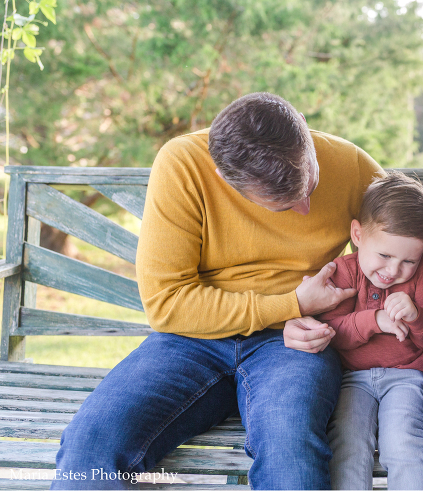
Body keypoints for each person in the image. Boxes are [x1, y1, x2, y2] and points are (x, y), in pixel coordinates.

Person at [52, 92, 384, 490]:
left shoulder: (350, 163)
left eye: (310, 183)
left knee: (291, 453)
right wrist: (290, 304)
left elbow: (399, 259)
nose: (306, 209)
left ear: (303, 130)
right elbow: (167, 304)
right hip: (190, 342)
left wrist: (324, 317)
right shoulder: (184, 164)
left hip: (294, 345)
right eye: (282, 205)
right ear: (224, 178)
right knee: (88, 447)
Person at [318, 173, 423, 490]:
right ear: (358, 234)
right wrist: (374, 320)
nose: (393, 271)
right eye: (385, 255)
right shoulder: (344, 272)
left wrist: (417, 316)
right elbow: (331, 332)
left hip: (406, 376)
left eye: (408, 260)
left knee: (404, 442)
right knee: (348, 443)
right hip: (352, 378)